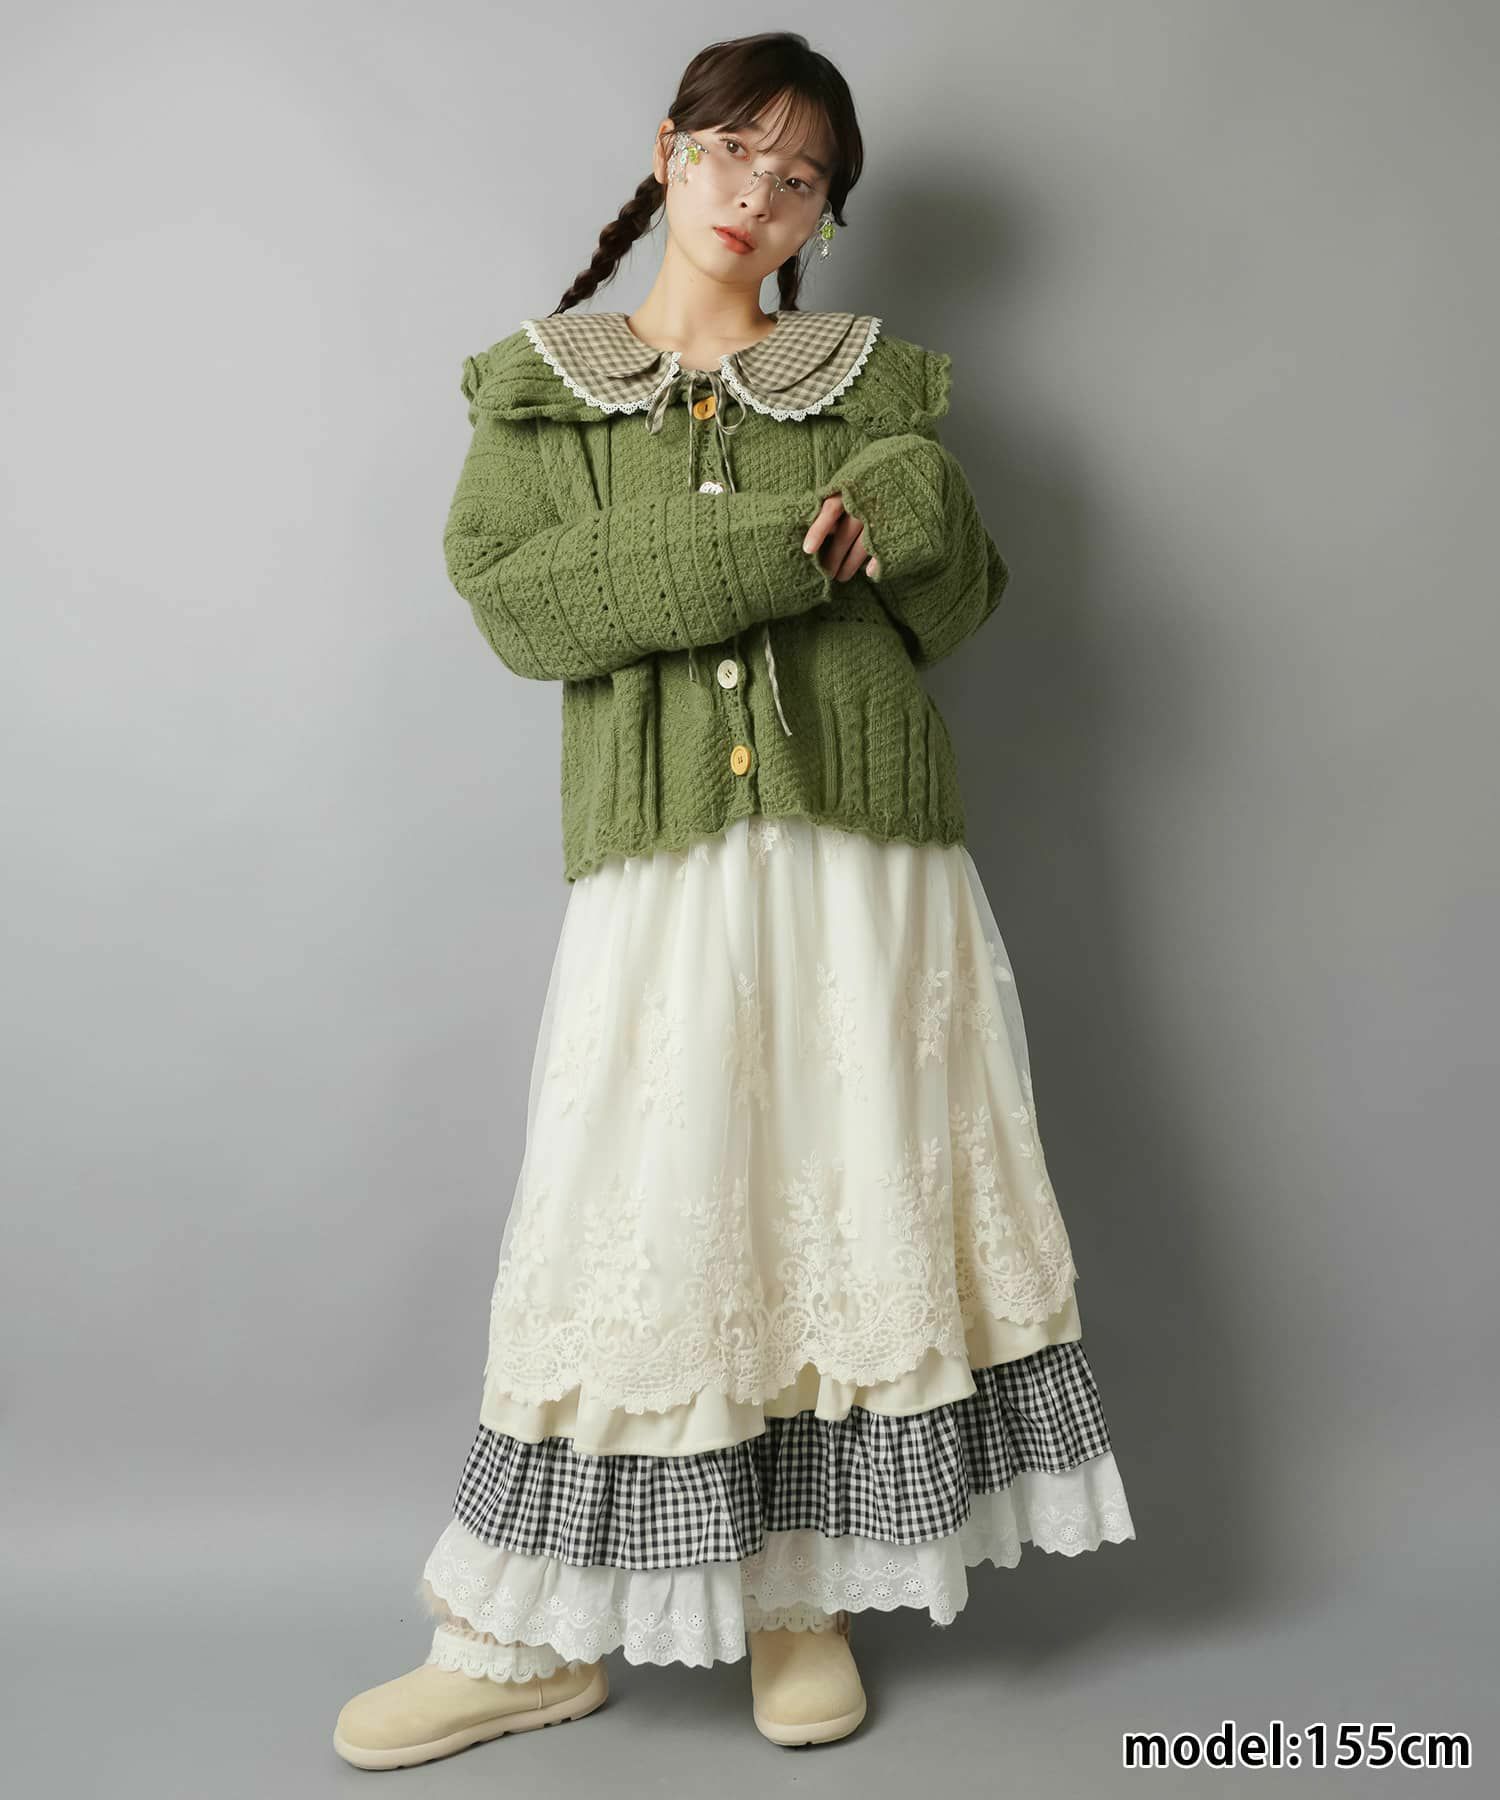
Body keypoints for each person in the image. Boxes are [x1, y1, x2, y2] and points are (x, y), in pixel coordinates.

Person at [333, 29, 1135, 1771]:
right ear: (667, 152)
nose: (754, 195)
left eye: (798, 178)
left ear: (824, 216)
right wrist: (767, 551)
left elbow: (958, 606)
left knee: (841, 1194)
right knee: (639, 1205)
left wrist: (915, 503)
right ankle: (525, 1639)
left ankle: (804, 1600)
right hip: (666, 862)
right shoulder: (540, 389)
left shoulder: (876, 384)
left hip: (869, 862)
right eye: (731, 153)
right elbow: (524, 603)